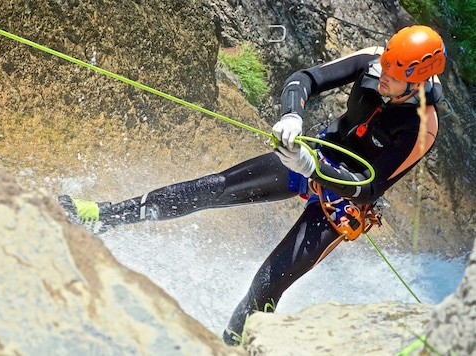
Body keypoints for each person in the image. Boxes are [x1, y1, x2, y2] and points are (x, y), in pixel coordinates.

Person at [58, 25, 446, 345]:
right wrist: (292, 116)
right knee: (213, 187)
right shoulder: (374, 61)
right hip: (314, 154)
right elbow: (305, 79)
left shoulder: (422, 127)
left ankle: (226, 348)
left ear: (417, 82)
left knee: (266, 284)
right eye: (385, 70)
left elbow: (369, 187)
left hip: (342, 200)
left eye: (394, 79)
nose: (383, 79)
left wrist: (314, 170)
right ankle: (103, 216)